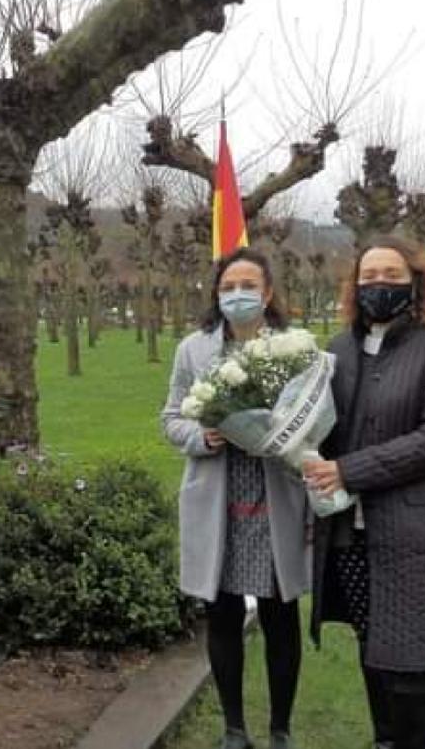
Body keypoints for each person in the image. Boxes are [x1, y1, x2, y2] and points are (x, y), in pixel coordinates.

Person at [302, 235, 425, 749]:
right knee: (371, 644)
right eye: (369, 277)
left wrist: (351, 470)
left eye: (391, 276)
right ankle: (384, 741)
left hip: (413, 528)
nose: (379, 285)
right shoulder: (336, 350)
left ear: (414, 283)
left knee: (406, 658)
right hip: (349, 530)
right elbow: (318, 426)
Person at [161, 248, 310, 749]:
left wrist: (287, 435)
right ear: (216, 294)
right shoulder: (193, 351)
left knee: (279, 613)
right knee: (221, 613)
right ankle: (234, 729)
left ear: (268, 293)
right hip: (218, 501)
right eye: (228, 287)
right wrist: (200, 438)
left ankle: (281, 729)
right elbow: (171, 418)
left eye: (249, 285)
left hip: (276, 499)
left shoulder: (294, 349)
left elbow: (316, 419)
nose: (238, 295)